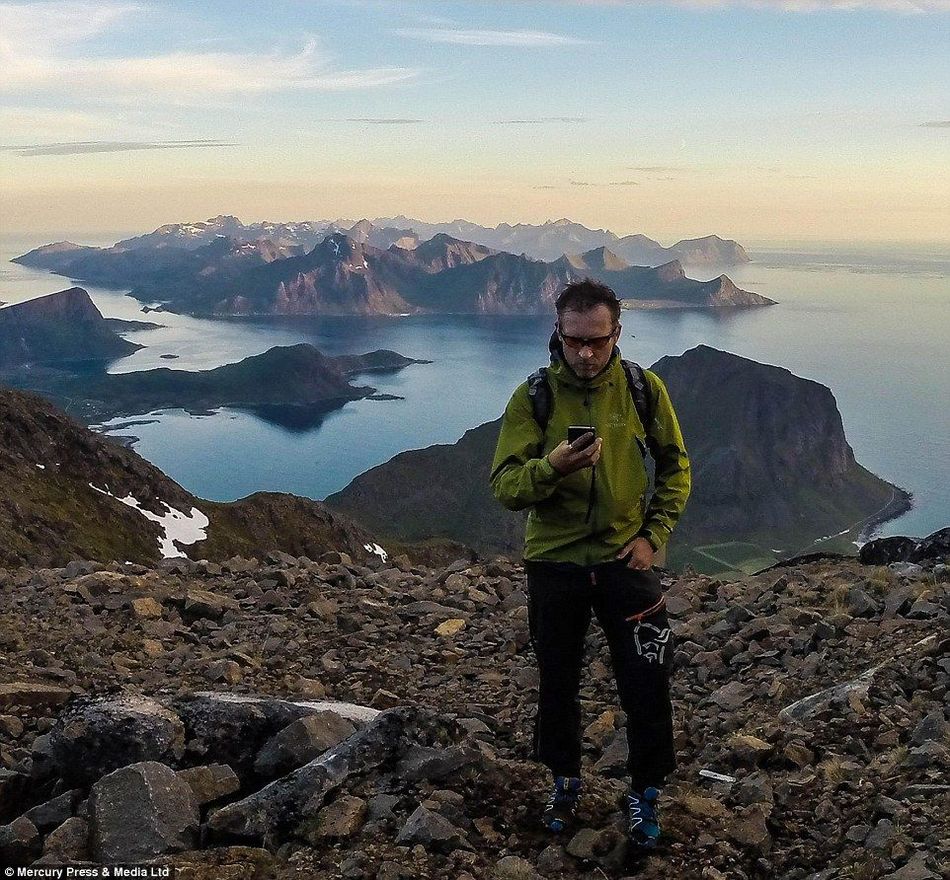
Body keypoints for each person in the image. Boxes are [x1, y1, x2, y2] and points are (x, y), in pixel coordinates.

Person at [489, 278, 690, 850]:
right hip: (554, 564)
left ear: (616, 334)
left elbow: (676, 467)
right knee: (557, 682)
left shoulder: (642, 389)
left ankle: (646, 791)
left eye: (596, 342)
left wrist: (655, 536)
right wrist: (551, 467)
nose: (583, 353)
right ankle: (564, 781)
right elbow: (505, 486)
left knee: (647, 682)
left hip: (626, 559)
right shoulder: (533, 398)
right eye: (573, 340)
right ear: (557, 332)